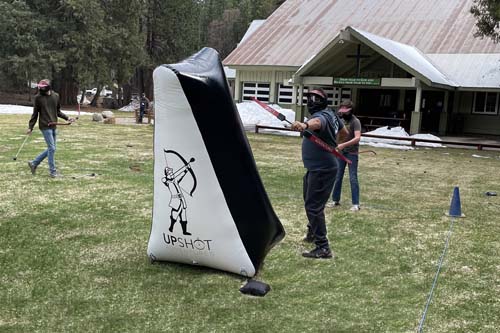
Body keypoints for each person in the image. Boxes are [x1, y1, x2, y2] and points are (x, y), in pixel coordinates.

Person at [291, 88, 349, 259]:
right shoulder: (332, 114)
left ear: (322, 101)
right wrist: (334, 146)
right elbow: (344, 133)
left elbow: (317, 123)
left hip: (322, 169)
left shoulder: (322, 117)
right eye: (310, 98)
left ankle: (323, 247)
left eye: (315, 98)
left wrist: (305, 125)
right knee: (310, 201)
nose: (311, 101)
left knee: (313, 206)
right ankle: (313, 233)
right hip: (316, 168)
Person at [27, 79, 74, 178]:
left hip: (54, 125)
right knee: (52, 148)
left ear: (48, 87)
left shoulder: (55, 96)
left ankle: (34, 163)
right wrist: (30, 127)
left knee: (51, 148)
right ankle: (53, 172)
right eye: (39, 87)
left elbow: (58, 112)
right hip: (45, 126)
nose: (40, 88)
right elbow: (35, 114)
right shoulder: (38, 98)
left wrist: (67, 118)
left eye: (42, 87)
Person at [328, 100, 362, 211]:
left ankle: (356, 204)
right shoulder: (340, 121)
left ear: (351, 111)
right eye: (342, 111)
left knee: (353, 178)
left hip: (352, 153)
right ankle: (335, 200)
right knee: (337, 176)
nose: (343, 113)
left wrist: (343, 145)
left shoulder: (355, 121)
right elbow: (336, 134)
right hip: (340, 153)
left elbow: (357, 138)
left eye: (345, 111)